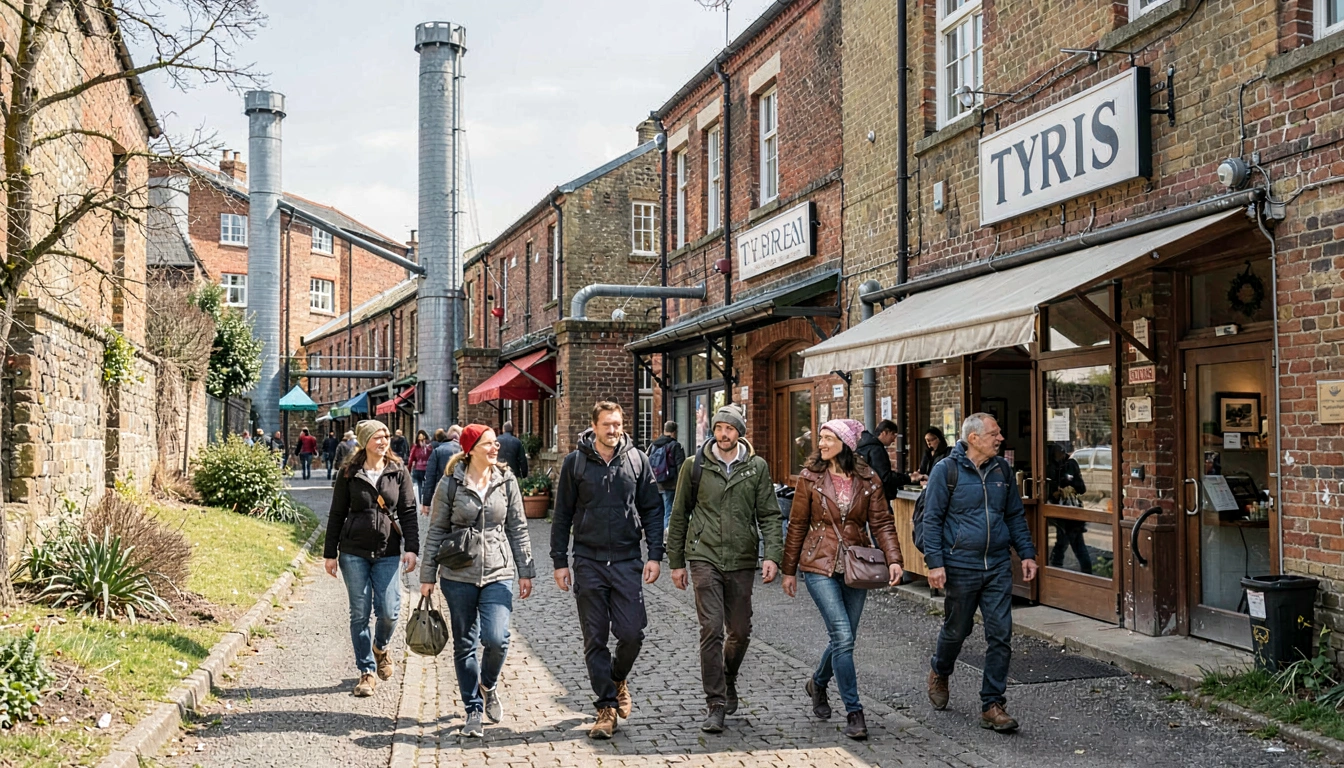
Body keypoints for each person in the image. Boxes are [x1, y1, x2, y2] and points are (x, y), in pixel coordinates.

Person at [781, 419, 903, 741]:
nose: (820, 444)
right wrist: (789, 570)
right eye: (820, 438)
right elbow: (796, 525)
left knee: (843, 639)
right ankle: (855, 711)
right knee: (843, 636)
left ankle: (818, 683)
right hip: (818, 565)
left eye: (827, 438)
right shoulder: (810, 478)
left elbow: (882, 524)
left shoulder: (869, 479)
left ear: (846, 443)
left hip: (856, 566)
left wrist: (894, 560)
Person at [551, 401, 663, 740]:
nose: (613, 430)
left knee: (632, 633)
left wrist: (655, 554)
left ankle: (617, 678)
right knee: (595, 637)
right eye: (606, 425)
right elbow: (561, 516)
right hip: (588, 561)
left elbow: (653, 510)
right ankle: (605, 707)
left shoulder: (637, 460)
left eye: (617, 424)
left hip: (628, 560)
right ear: (594, 426)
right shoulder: (576, 463)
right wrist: (560, 561)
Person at [667, 404, 781, 734]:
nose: (723, 434)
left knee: (741, 630)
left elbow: (770, 516)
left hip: (743, 558)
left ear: (739, 432)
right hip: (704, 557)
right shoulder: (695, 466)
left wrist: (772, 555)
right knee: (711, 629)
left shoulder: (756, 468)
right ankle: (715, 703)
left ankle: (728, 677)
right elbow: (679, 515)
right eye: (718, 428)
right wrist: (676, 562)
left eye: (729, 429)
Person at [922, 413, 1038, 733]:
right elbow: (931, 520)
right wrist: (935, 563)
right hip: (961, 564)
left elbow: (1014, 515)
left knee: (1000, 634)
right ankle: (940, 670)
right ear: (973, 438)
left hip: (998, 564)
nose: (1000, 438)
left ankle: (992, 704)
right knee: (956, 631)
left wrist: (1026, 553)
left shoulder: (1002, 470)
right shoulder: (946, 470)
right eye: (994, 433)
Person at [420, 424, 535, 738]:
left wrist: (525, 570)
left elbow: (519, 527)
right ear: (471, 449)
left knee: (497, 638)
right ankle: (472, 709)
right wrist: (427, 575)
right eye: (488, 444)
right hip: (458, 573)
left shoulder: (506, 480)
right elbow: (436, 532)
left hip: (498, 571)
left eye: (496, 443)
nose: (495, 448)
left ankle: (488, 684)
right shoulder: (449, 484)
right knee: (464, 645)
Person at [322, 419, 419, 697]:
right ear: (365, 442)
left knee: (389, 610)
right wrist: (330, 553)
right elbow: (337, 513)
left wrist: (411, 547)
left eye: (386, 435)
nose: (383, 440)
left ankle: (381, 647)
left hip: (388, 551)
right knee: (359, 613)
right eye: (377, 437)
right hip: (353, 553)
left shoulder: (398, 470)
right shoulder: (349, 472)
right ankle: (366, 671)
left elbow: (409, 511)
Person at [1046, 444, 1091, 573]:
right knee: (1065, 542)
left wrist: (1068, 484)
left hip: (1071, 510)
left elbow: (1081, 488)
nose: (1061, 454)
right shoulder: (1051, 467)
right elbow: (1050, 490)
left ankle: (1056, 569)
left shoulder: (1070, 464)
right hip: (1060, 511)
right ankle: (1056, 569)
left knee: (1071, 542)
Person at [855, 419, 909, 502]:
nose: (893, 439)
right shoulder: (877, 450)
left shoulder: (863, 446)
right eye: (892, 434)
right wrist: (908, 478)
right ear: (884, 432)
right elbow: (885, 477)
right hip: (878, 498)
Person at [648, 421, 686, 536]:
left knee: (659, 512)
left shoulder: (654, 445)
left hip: (656, 483)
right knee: (669, 511)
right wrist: (681, 485)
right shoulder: (675, 445)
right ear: (674, 432)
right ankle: (666, 537)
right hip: (670, 484)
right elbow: (681, 467)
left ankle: (656, 536)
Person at [422, 425, 463, 512]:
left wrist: (426, 502)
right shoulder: (465, 451)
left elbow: (430, 477)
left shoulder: (438, 451)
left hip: (443, 492)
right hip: (462, 494)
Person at [408, 430, 433, 504]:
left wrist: (409, 469)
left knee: (419, 485)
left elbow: (411, 458)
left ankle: (420, 501)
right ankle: (424, 500)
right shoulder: (429, 447)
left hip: (418, 468)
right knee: (425, 485)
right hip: (425, 469)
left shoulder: (416, 447)